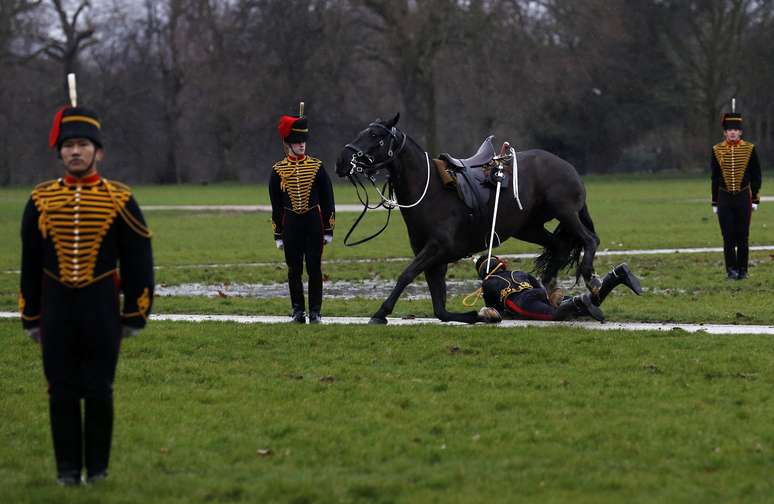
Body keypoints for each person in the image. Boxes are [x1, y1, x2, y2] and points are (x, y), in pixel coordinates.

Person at [19, 105, 154, 485]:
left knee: (98, 390)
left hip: (101, 311)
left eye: (83, 145)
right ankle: (66, 472)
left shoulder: (119, 199)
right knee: (60, 391)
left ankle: (97, 470)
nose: (75, 152)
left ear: (99, 152)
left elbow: (139, 259)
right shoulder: (41, 200)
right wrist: (31, 316)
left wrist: (135, 313)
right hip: (56, 310)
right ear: (59, 152)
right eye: (68, 145)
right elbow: (30, 263)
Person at [269, 110, 335, 324]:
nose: (302, 145)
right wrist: (278, 233)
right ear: (289, 143)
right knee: (294, 269)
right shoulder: (278, 170)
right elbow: (276, 205)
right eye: (297, 142)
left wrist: (328, 228)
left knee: (314, 267)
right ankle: (298, 310)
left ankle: (315, 311)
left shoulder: (316, 166)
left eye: (303, 141)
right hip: (291, 225)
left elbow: (328, 199)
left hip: (313, 223)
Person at [474, 256, 642, 322]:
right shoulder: (519, 272)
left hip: (522, 302)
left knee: (555, 316)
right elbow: (541, 289)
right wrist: (551, 298)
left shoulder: (488, 284)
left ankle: (577, 301)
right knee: (585, 307)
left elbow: (495, 312)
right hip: (538, 294)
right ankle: (616, 275)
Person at [711, 110, 763, 280]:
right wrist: (715, 202)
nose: (732, 132)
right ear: (725, 132)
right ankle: (731, 270)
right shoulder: (717, 150)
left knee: (743, 236)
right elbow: (715, 177)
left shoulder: (749, 149)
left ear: (740, 131)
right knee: (727, 236)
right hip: (724, 197)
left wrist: (754, 197)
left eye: (735, 129)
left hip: (743, 197)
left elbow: (756, 175)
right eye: (729, 129)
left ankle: (743, 270)